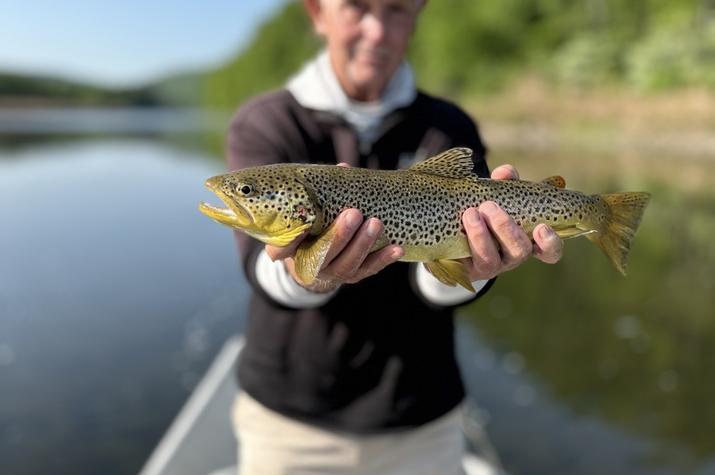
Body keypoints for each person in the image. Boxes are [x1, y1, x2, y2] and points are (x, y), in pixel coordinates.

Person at [226, 0, 563, 473]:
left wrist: (471, 269)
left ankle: (600, 215)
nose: (378, 30)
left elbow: (442, 282)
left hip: (421, 415)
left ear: (417, 17)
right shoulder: (268, 122)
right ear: (317, 14)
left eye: (397, 10)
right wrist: (308, 275)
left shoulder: (448, 127)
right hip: (290, 420)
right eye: (357, 7)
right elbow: (260, 268)